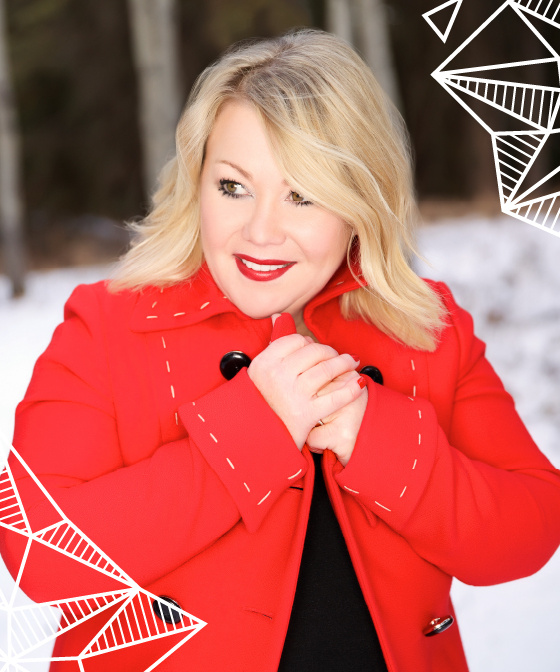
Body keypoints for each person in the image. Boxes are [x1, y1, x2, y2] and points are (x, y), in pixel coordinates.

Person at [2, 28, 560, 672]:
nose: (260, 231)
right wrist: (252, 434)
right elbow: (38, 548)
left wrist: (377, 438)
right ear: (197, 180)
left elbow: (529, 531)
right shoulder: (110, 326)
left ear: (361, 202)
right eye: (233, 186)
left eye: (304, 194)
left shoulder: (427, 328)